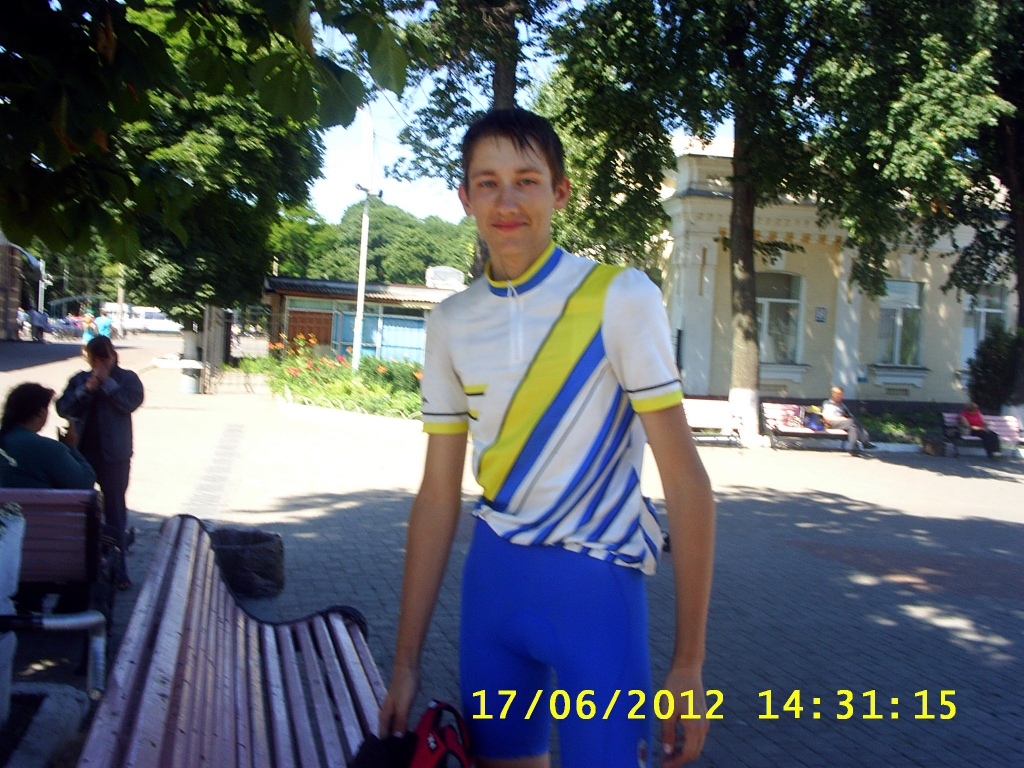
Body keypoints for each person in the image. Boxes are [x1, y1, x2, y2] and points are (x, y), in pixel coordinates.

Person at [379, 109, 716, 768]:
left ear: (560, 191)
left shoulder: (620, 297)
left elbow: (686, 482)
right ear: (465, 197)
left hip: (597, 598)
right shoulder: (451, 322)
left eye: (526, 180)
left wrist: (689, 664)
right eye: (487, 183)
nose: (506, 202)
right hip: (492, 593)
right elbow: (437, 496)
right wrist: (406, 661)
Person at [56, 336, 144, 590]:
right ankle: (79, 568)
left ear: (113, 356)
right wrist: (86, 389)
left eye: (104, 358)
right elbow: (62, 408)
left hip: (114, 456)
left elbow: (130, 402)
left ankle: (119, 571)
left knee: (115, 512)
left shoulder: (127, 379)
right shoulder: (79, 379)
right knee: (79, 509)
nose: (99, 364)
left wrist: (107, 384)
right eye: (94, 359)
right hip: (81, 454)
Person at [0, 383, 96, 489]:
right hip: (34, 501)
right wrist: (71, 447)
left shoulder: (5, 439)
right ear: (41, 413)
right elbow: (85, 482)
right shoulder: (47, 448)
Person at [822, 386, 875, 455]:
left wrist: (847, 419)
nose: (841, 396)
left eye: (842, 394)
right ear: (833, 394)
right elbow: (827, 417)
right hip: (832, 423)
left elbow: (849, 415)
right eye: (839, 394)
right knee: (852, 422)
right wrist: (842, 419)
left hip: (844, 423)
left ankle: (854, 449)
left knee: (852, 427)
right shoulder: (828, 404)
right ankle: (865, 442)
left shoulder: (841, 404)